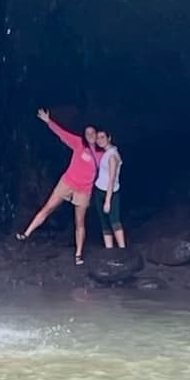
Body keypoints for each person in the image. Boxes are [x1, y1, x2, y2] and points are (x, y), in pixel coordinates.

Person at [15, 108, 100, 265]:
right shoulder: (79, 144)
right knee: (48, 208)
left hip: (84, 190)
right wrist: (49, 121)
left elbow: (111, 165)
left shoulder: (101, 154)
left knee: (80, 222)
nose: (89, 135)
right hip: (67, 183)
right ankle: (26, 234)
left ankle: (78, 255)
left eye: (92, 133)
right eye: (87, 133)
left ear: (96, 135)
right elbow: (63, 134)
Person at [94, 127, 125, 249]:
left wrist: (108, 200)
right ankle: (109, 250)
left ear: (109, 138)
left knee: (114, 221)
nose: (99, 140)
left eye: (102, 137)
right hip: (100, 190)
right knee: (104, 223)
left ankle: (122, 249)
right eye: (98, 138)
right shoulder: (106, 153)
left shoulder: (112, 155)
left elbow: (112, 179)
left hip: (110, 192)